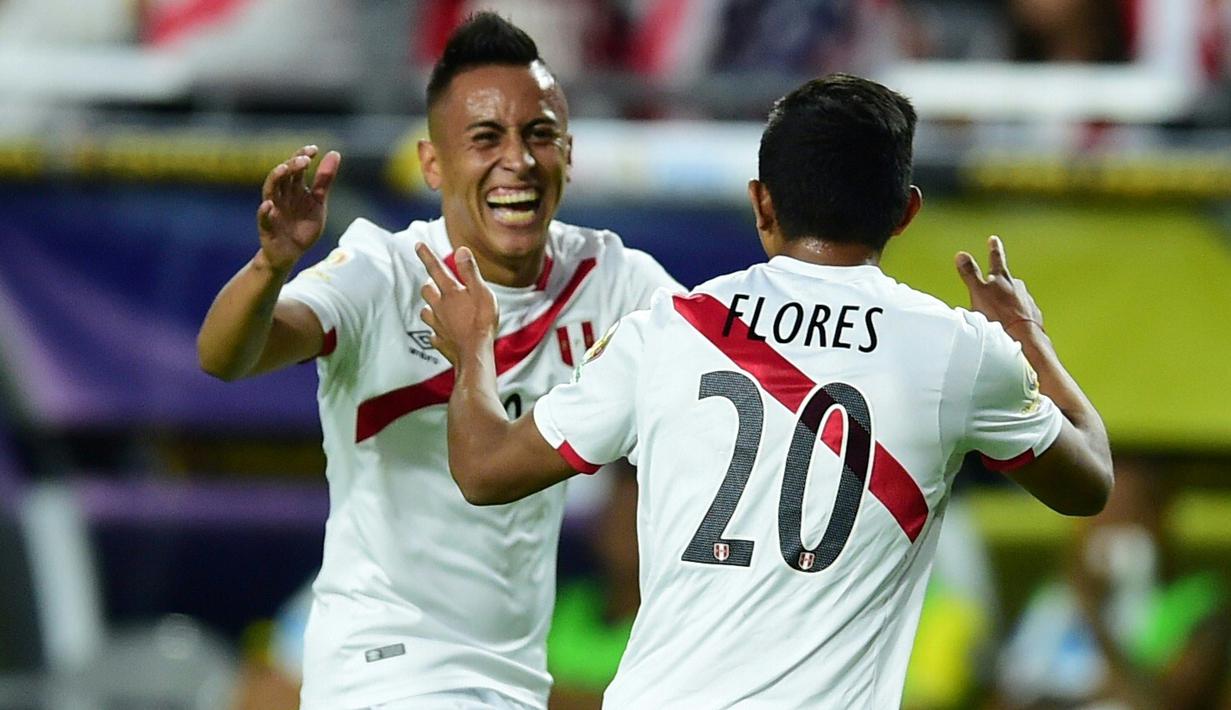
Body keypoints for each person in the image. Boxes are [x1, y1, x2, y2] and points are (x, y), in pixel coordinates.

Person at [416, 73, 1114, 707]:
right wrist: (1028, 338)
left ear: (761, 202)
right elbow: (1088, 483)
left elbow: (484, 471)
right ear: (904, 212)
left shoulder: (668, 330)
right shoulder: (960, 351)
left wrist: (473, 346)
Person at [196, 12, 679, 710]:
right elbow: (226, 357)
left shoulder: (616, 279)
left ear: (568, 154)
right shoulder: (381, 271)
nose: (517, 158)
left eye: (539, 135)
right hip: (382, 665)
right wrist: (269, 267)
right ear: (432, 162)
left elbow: (719, 369)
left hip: (512, 676)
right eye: (485, 137)